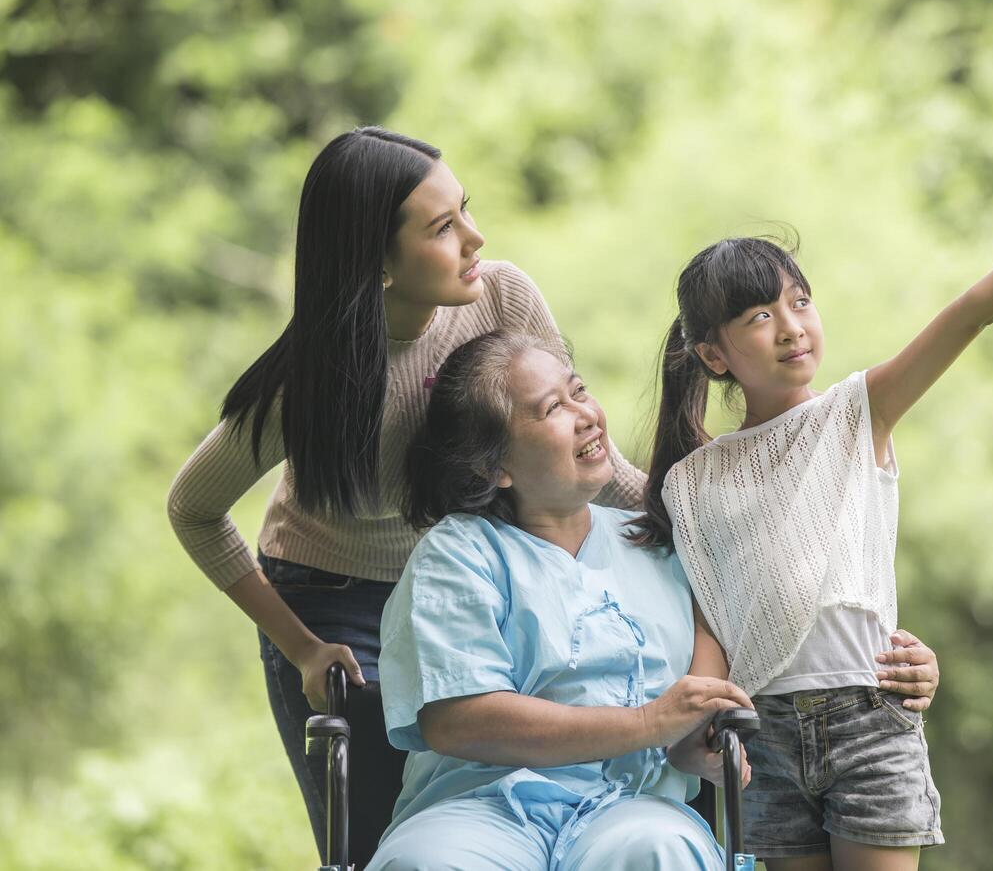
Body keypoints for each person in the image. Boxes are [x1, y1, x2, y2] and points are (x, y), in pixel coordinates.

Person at [632, 147, 993, 869]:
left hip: (868, 719)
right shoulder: (694, 480)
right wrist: (702, 723)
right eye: (757, 316)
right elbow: (716, 618)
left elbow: (973, 312)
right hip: (761, 734)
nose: (790, 326)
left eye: (798, 302)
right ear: (713, 356)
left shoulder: (855, 414)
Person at [165, 127, 644, 861]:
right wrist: (300, 647)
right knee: (374, 841)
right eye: (444, 227)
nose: (476, 238)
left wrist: (686, 516)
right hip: (339, 608)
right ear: (377, 262)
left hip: (476, 587)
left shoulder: (502, 298)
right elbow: (194, 510)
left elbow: (587, 451)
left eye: (466, 211)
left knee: (510, 812)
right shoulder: (309, 385)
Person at [368, 331, 942, 869]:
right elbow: (457, 720)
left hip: (631, 806)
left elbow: (777, 619)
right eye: (551, 409)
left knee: (661, 850)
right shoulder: (459, 554)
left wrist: (897, 662)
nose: (586, 415)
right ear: (494, 466)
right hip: (480, 809)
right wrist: (648, 722)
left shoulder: (662, 544)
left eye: (579, 391)